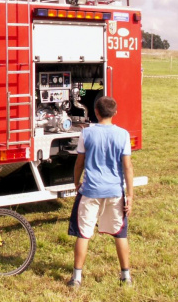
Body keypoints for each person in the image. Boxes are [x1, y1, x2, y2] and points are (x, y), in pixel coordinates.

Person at [67, 96, 134, 289]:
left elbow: (79, 163)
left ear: (96, 112)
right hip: (115, 191)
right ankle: (125, 276)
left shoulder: (86, 133)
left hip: (90, 190)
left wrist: (76, 182)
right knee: (120, 234)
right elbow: (127, 167)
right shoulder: (123, 135)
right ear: (115, 113)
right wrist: (130, 195)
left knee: (84, 233)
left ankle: (76, 278)